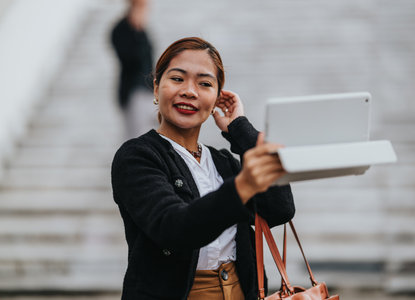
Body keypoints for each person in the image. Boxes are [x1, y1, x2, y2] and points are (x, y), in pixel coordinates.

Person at [111, 37, 295, 300]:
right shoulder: (137, 157)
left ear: (217, 98)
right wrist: (242, 187)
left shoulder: (223, 162)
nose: (189, 91)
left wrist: (240, 129)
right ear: (155, 88)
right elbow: (173, 227)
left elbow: (280, 210)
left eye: (204, 83)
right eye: (177, 79)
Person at [111, 0, 158, 138]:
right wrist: (135, 31)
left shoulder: (143, 31)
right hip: (134, 91)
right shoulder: (121, 30)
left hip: (149, 91)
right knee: (138, 139)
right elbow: (131, 59)